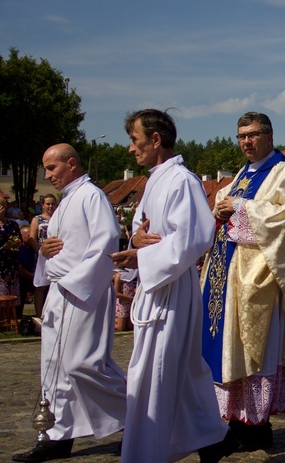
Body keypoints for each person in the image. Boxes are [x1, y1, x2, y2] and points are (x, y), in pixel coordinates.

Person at [112, 109, 235, 462]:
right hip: (158, 287)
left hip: (173, 289)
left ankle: (147, 453)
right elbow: (143, 229)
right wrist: (136, 240)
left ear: (155, 139)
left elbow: (195, 237)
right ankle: (212, 437)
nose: (130, 149)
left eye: (135, 141)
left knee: (156, 375)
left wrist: (143, 258)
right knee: (180, 374)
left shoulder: (182, 179)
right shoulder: (154, 179)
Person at [200, 111, 285, 451]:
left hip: (258, 280)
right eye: (241, 136)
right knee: (229, 350)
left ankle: (257, 425)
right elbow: (230, 211)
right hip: (228, 277)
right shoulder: (240, 175)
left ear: (269, 136)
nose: (246, 141)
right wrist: (222, 208)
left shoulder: (282, 172)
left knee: (255, 353)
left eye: (252, 135)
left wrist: (239, 207)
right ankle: (237, 421)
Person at [12, 144, 127, 462]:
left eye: (52, 168)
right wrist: (46, 251)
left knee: (83, 363)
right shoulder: (65, 203)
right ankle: (58, 433)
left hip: (83, 291)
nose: (48, 176)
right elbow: (62, 246)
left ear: (72, 163)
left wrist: (78, 283)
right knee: (55, 365)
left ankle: (140, 414)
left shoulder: (91, 196)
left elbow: (106, 242)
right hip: (62, 291)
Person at [29, 194, 57, 318]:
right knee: (41, 285)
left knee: (56, 284)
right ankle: (39, 314)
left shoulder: (58, 218)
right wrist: (41, 251)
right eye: (48, 204)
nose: (50, 206)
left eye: (53, 203)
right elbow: (31, 238)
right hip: (43, 256)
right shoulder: (37, 219)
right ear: (43, 205)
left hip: (57, 255)